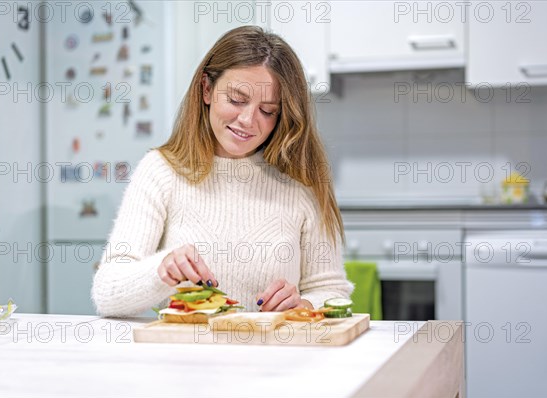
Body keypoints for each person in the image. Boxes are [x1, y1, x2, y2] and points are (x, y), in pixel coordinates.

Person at [92, 26, 353, 317]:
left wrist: (305, 304)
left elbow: (331, 290)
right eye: (236, 100)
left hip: (275, 358)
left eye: (267, 111)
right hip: (181, 358)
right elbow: (107, 294)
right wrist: (161, 270)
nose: (247, 120)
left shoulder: (301, 181)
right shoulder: (160, 171)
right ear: (206, 89)